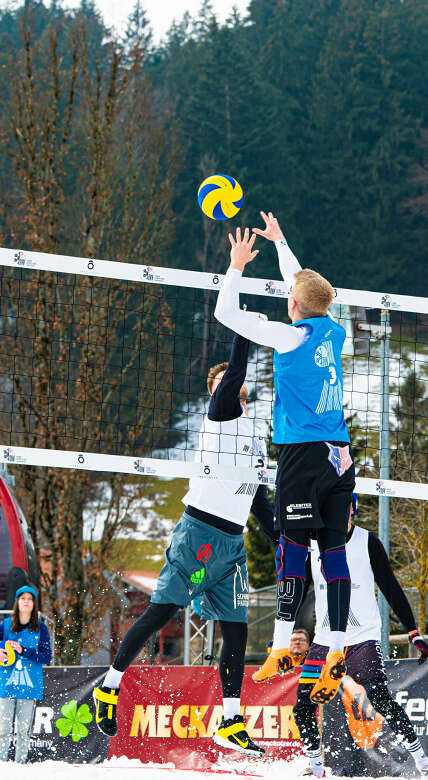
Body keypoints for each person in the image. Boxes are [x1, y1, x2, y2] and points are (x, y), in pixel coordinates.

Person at [93, 333, 276, 756]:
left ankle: (231, 721)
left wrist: (286, 542)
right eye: (226, 384)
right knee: (161, 610)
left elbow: (260, 502)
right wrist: (241, 326)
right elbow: (235, 374)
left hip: (232, 544)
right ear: (217, 393)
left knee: (237, 629)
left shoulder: (255, 436)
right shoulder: (220, 416)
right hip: (199, 535)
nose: (234, 390)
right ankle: (111, 685)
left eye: (237, 387)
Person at [214, 212, 355, 704]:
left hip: (303, 457)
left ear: (293, 304)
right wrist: (281, 243)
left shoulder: (291, 336)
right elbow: (303, 287)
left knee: (293, 550)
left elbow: (226, 317)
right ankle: (336, 648)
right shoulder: (332, 331)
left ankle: (279, 645)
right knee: (333, 554)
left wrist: (235, 267)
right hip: (340, 457)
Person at [294, 497, 428, 778]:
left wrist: (413, 631)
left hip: (362, 637)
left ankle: (419, 757)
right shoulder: (313, 544)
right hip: (325, 639)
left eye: (344, 510)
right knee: (302, 705)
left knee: (379, 697)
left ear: (352, 510)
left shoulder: (367, 543)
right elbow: (301, 591)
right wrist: (289, 632)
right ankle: (317, 767)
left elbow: (391, 587)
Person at [0, 585, 52, 763]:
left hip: (30, 685)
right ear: (17, 602)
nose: (26, 601)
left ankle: (20, 765)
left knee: (24, 729)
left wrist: (24, 650)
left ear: (34, 604)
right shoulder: (5, 625)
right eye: (23, 598)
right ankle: (1, 764)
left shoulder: (41, 628)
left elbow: (46, 656)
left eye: (30, 599)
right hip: (6, 684)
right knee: (3, 728)